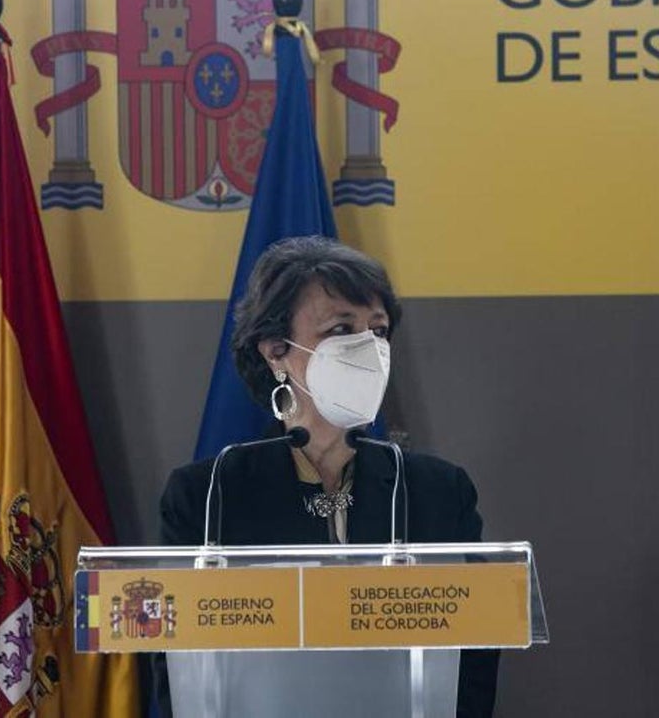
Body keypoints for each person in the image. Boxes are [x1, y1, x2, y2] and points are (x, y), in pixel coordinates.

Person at [156, 236, 499, 716]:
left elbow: (475, 661)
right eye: (342, 329)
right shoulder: (210, 495)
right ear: (277, 351)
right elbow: (177, 670)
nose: (368, 349)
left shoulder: (438, 491)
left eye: (377, 332)